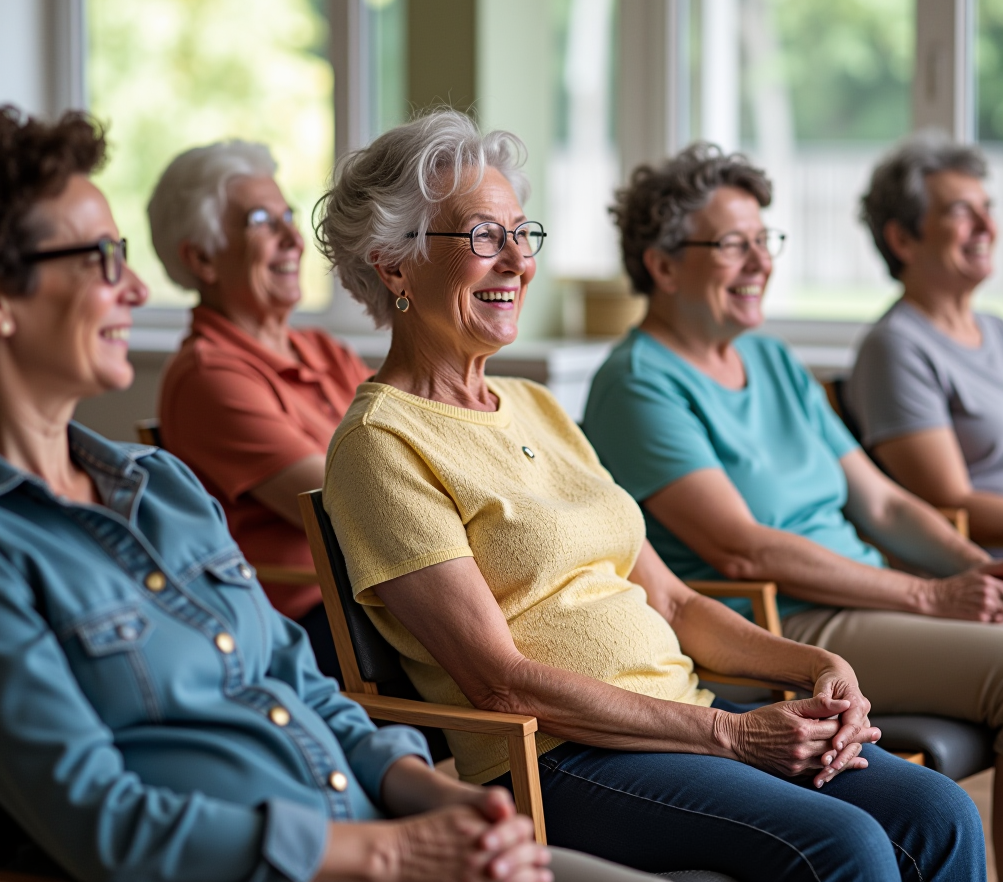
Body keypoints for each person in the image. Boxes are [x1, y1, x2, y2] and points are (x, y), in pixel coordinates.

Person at [0, 104, 656, 882]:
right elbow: (100, 820)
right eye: (99, 260)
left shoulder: (161, 488)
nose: (134, 288)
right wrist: (393, 850)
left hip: (374, 813)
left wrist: (432, 793)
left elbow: (300, 683)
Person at [318, 110, 983, 881]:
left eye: (520, 235)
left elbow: (671, 604)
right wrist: (730, 735)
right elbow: (497, 683)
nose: (515, 263)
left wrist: (815, 663)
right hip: (561, 759)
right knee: (845, 845)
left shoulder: (535, 404)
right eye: (480, 237)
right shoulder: (381, 444)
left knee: (939, 813)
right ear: (392, 264)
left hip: (680, 715)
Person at [581, 140, 1003, 856]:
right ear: (662, 264)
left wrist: (976, 572)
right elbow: (742, 550)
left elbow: (886, 506)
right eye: (733, 245)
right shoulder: (637, 382)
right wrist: (931, 598)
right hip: (787, 622)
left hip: (868, 597)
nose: (761, 263)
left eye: (764, 240)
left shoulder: (772, 359)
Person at [150, 141, 372, 681]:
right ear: (200, 258)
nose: (295, 239)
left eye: (288, 217)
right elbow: (352, 510)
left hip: (381, 596)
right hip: (311, 630)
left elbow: (420, 450)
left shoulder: (324, 350)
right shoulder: (208, 376)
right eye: (260, 221)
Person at [846, 135, 1003, 548]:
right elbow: (948, 504)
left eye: (987, 210)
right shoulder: (895, 348)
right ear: (902, 240)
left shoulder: (997, 330)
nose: (987, 227)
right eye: (961, 212)